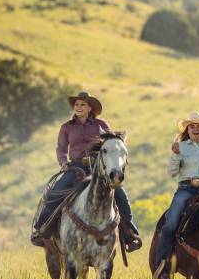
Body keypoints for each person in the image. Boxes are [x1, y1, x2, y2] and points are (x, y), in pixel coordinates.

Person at [31, 92, 142, 252]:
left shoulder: (101, 124)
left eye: (82, 104)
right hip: (75, 168)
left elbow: (111, 145)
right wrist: (63, 162)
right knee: (54, 193)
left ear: (90, 108)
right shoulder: (67, 127)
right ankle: (41, 230)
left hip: (98, 169)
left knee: (120, 194)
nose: (79, 107)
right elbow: (61, 149)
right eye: (76, 104)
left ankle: (130, 234)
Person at [154, 112, 199, 279]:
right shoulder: (180, 146)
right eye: (192, 126)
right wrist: (176, 155)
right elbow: (171, 172)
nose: (196, 129)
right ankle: (163, 265)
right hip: (186, 189)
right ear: (187, 129)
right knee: (170, 223)